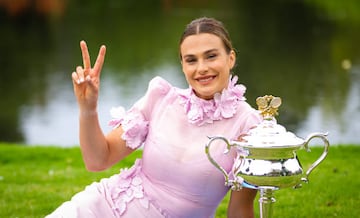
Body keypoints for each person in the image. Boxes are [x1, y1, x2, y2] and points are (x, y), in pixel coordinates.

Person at [46, 17, 262, 218]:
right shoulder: (160, 98)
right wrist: (88, 109)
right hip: (102, 207)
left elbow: (239, 210)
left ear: (231, 58)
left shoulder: (248, 125)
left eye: (211, 56)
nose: (202, 68)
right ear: (183, 66)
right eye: (191, 60)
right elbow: (98, 160)